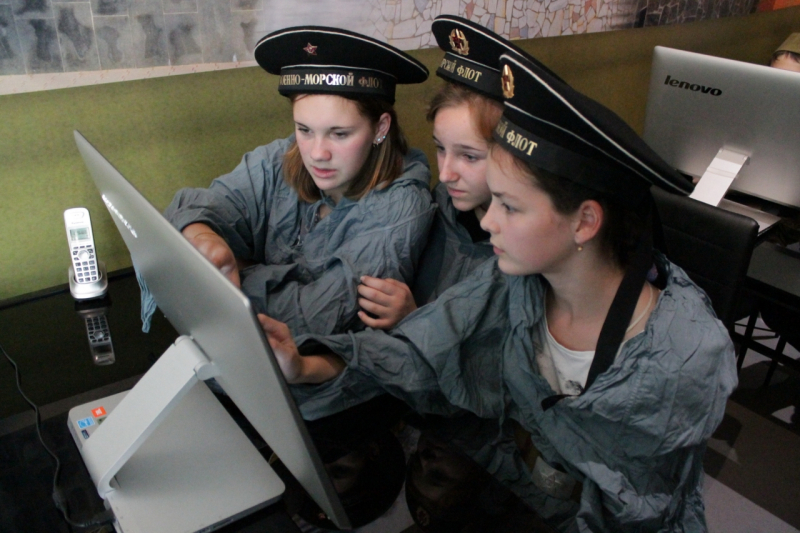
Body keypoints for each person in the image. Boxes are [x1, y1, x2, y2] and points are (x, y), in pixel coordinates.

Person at [259, 49, 738, 531]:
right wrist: (304, 365)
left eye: (509, 206)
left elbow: (633, 511)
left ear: (584, 222)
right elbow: (419, 351)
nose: (488, 221)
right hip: (517, 490)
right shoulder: (516, 285)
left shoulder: (684, 356)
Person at [163, 27, 434, 337]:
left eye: (339, 134)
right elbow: (193, 206)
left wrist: (239, 270)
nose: (317, 153)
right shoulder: (282, 156)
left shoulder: (402, 205)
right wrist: (203, 236)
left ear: (380, 128)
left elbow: (317, 316)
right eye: (304, 130)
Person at [357, 16, 567, 330]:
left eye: (469, 156)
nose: (445, 175)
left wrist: (415, 318)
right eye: (440, 148)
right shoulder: (440, 205)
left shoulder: (529, 247)